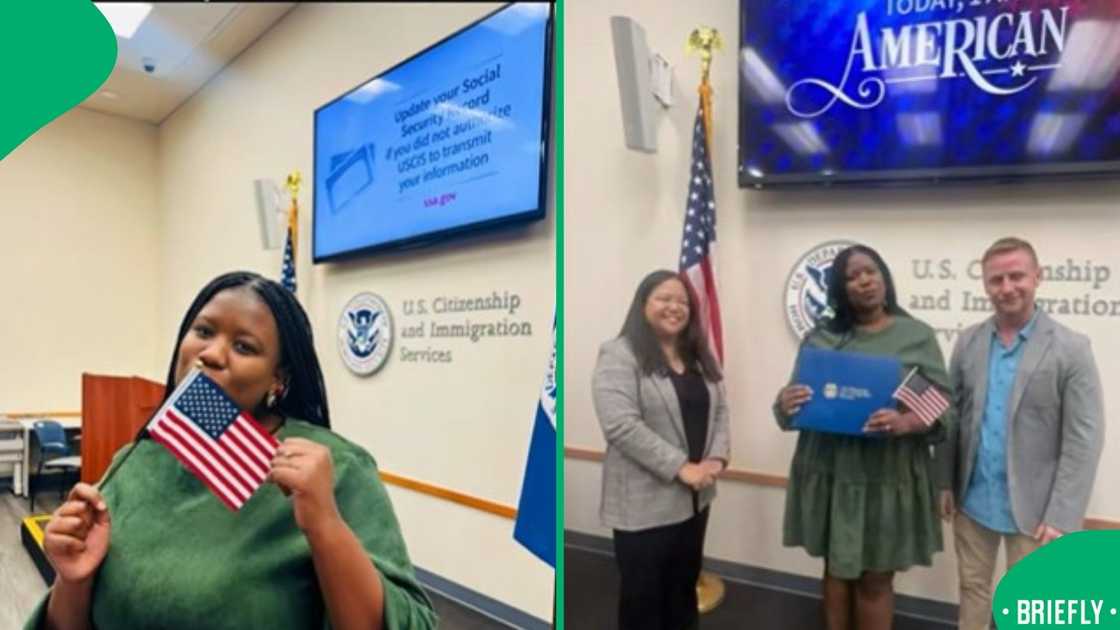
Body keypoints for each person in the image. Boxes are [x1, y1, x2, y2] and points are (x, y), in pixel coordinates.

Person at [29, 271, 437, 630]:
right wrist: (74, 580)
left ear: (278, 379)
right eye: (203, 331)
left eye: (244, 347)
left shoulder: (338, 468)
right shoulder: (134, 462)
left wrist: (325, 525)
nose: (211, 354)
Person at [774, 245, 952, 630]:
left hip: (886, 477)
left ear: (884, 276)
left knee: (876, 576)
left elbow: (943, 408)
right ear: (840, 289)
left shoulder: (914, 337)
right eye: (851, 277)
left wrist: (907, 422)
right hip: (831, 472)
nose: (863, 281)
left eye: (869, 271)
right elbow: (792, 406)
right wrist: (785, 402)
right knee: (836, 569)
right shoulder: (821, 339)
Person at [937, 237, 1104, 630]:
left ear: (1038, 277)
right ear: (985, 284)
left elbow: (1085, 438)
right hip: (973, 500)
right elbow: (951, 416)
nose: (1007, 287)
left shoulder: (1071, 348)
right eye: (996, 279)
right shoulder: (969, 341)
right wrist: (943, 480)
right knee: (972, 589)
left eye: (1016, 276)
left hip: (1037, 511)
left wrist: (1063, 514)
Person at [592, 269, 729, 630]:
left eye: (683, 301)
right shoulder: (619, 354)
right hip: (644, 505)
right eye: (664, 298)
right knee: (644, 602)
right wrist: (682, 467)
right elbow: (620, 424)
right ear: (643, 304)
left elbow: (721, 410)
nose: (675, 307)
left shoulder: (698, 356)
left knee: (683, 592)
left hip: (695, 500)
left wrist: (717, 457)